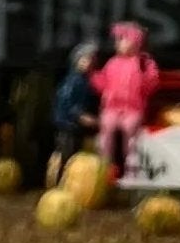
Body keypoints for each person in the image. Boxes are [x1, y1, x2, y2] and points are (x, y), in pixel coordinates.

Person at [96, 17, 163, 179]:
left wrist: (145, 75)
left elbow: (152, 82)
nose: (118, 44)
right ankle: (104, 166)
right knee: (106, 132)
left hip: (133, 108)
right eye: (118, 40)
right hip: (112, 106)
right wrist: (94, 76)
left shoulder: (143, 62)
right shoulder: (112, 63)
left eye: (122, 40)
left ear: (135, 42)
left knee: (131, 137)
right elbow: (103, 82)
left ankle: (131, 170)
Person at [50, 38, 103, 173]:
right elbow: (68, 102)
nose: (88, 63)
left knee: (76, 155)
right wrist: (81, 116)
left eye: (91, 60)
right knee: (67, 155)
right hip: (68, 125)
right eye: (84, 59)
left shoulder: (86, 80)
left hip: (76, 126)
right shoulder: (73, 81)